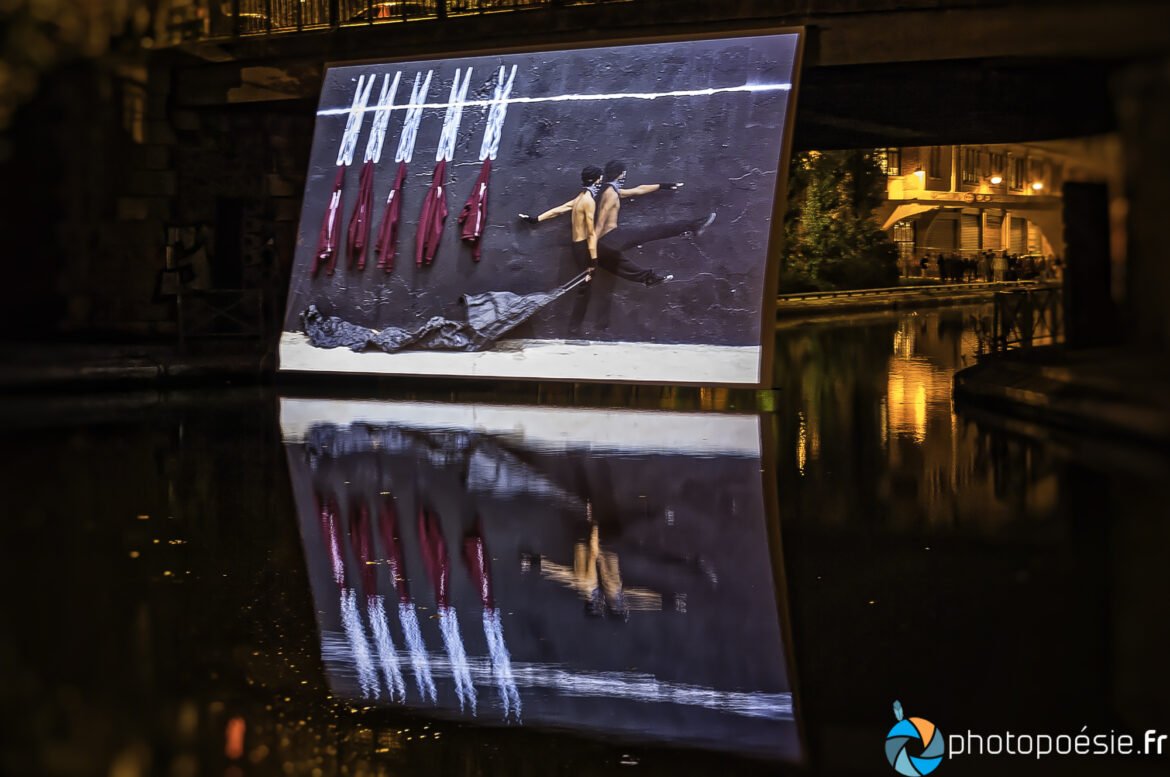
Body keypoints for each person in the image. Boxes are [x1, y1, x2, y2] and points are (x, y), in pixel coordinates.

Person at [593, 159, 714, 288]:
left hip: (608, 241)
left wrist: (663, 185)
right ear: (620, 174)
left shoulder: (610, 190)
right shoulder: (610, 193)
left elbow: (638, 190)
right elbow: (600, 221)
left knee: (614, 262)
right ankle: (693, 226)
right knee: (652, 232)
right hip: (611, 238)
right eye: (623, 173)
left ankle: (648, 279)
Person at [519, 165, 604, 336]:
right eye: (600, 178)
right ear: (596, 179)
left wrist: (536, 219)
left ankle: (574, 329)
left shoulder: (580, 197)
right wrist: (593, 260)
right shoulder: (589, 201)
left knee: (584, 288)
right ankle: (574, 330)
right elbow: (591, 233)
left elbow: (559, 210)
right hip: (583, 248)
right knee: (585, 288)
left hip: (577, 246)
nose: (601, 180)